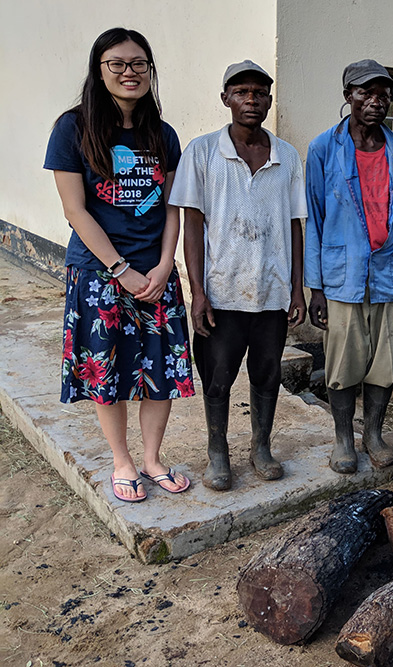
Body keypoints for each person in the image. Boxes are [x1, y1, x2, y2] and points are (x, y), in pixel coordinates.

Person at [44, 28, 192, 502]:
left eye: (139, 63)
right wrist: (119, 269)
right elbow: (75, 210)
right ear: (99, 69)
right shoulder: (72, 128)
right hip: (98, 273)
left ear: (150, 70)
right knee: (105, 370)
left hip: (155, 275)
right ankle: (122, 461)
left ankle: (151, 458)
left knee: (160, 370)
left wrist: (167, 265)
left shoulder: (162, 134)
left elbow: (173, 206)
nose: (129, 72)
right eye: (118, 63)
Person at [170, 60, 307, 491]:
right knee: (218, 377)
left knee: (267, 374)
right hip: (222, 290)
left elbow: (294, 224)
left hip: (271, 292)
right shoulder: (203, 151)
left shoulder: (286, 155)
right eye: (242, 92)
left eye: (260, 93)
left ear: (269, 101)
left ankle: (260, 447)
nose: (252, 100)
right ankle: (218, 453)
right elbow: (192, 224)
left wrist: (297, 289)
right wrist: (198, 291)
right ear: (226, 98)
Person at [305, 59, 393, 473]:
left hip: (390, 275)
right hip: (343, 277)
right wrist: (314, 287)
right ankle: (343, 439)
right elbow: (314, 220)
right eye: (365, 93)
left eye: (383, 94)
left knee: (384, 363)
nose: (375, 101)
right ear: (347, 97)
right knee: (342, 365)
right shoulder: (323, 148)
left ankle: (373, 434)